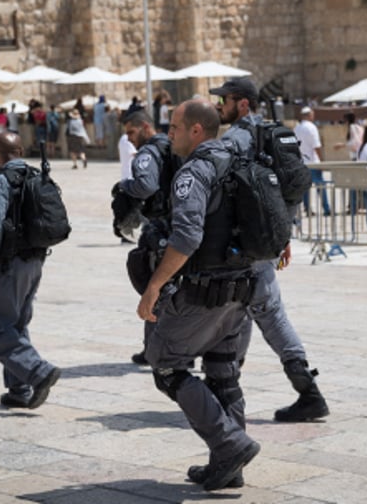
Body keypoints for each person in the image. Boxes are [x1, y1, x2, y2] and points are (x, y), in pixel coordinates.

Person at [137, 99, 261, 491]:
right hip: (242, 290)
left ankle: (230, 444)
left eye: (174, 127)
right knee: (223, 372)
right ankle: (227, 466)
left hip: (204, 291)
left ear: (195, 130)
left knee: (165, 364)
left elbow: (187, 236)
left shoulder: (196, 170)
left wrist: (154, 285)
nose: (168, 133)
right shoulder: (243, 159)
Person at [213, 78, 330, 423]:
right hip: (264, 239)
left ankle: (308, 393)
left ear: (244, 105)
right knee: (244, 310)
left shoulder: (237, 138)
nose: (221, 106)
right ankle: (227, 383)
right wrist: (281, 236)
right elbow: (283, 191)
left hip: (244, 244)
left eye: (226, 101)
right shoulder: (273, 134)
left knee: (266, 313)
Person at [0, 131, 63, 410]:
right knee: (16, 324)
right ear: (21, 150)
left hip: (8, 265)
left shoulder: (0, 182)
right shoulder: (36, 176)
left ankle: (38, 371)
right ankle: (19, 389)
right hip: (34, 261)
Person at [117, 109, 180, 360]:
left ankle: (153, 349)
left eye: (131, 132)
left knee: (154, 286)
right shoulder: (171, 144)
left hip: (160, 225)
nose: (130, 139)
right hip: (177, 224)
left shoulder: (148, 151)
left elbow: (146, 186)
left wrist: (124, 186)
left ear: (145, 127)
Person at [294, 106, 330, 216]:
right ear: (309, 115)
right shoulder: (311, 127)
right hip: (313, 162)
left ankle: (307, 208)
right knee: (321, 186)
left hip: (302, 162)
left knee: (306, 188)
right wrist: (322, 161)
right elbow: (316, 146)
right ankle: (326, 208)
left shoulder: (297, 128)